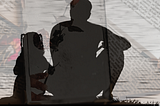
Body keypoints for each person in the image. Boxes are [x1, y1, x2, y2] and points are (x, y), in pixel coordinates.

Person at [48, 0, 131, 103]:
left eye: (76, 9)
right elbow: (124, 45)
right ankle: (107, 93)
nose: (73, 12)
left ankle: (106, 94)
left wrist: (110, 43)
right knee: (116, 53)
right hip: (76, 84)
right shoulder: (93, 30)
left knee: (116, 52)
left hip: (67, 85)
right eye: (73, 9)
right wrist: (110, 44)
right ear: (88, 14)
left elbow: (126, 44)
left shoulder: (60, 28)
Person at [0, 32, 54, 104]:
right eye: (37, 42)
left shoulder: (40, 58)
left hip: (35, 91)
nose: (41, 45)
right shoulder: (24, 58)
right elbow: (16, 70)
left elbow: (50, 69)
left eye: (40, 42)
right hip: (23, 92)